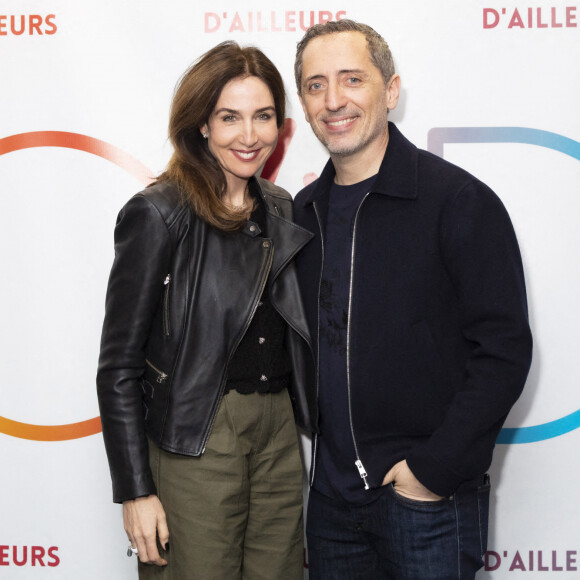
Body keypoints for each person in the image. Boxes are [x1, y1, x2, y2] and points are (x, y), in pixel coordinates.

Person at [292, 19, 533, 579]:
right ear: (303, 104)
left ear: (391, 91)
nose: (333, 100)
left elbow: (504, 351)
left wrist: (433, 469)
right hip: (329, 504)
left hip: (426, 500)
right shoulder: (301, 216)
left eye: (352, 79)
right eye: (314, 84)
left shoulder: (458, 202)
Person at [96, 41, 317, 580]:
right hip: (198, 435)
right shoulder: (159, 213)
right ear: (201, 125)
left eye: (263, 116)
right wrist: (135, 491)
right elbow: (118, 365)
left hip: (279, 437)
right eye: (229, 118)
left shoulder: (281, 207)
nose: (249, 136)